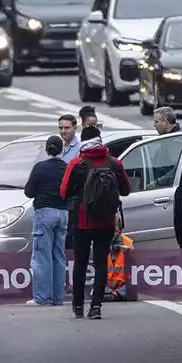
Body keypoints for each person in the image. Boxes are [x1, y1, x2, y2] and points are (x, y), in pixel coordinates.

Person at [60, 131, 132, 319]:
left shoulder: (77, 163)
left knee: (81, 262)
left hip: (81, 221)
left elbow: (63, 192)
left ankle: (77, 306)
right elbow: (126, 190)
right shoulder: (114, 163)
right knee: (101, 262)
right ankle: (96, 307)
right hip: (106, 220)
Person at [24, 134, 69, 306]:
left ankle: (42, 298)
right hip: (63, 213)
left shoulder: (40, 168)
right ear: (62, 149)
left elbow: (29, 191)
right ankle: (58, 297)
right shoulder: (66, 168)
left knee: (42, 256)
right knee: (59, 256)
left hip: (44, 212)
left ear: (46, 149)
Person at [152, 106, 182, 249]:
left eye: (157, 122)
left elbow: (179, 169)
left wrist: (157, 183)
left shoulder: (175, 141)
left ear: (166, 122)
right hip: (177, 194)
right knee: (180, 234)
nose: (154, 125)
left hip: (180, 195)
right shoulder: (172, 138)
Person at [104, 212, 132, 302]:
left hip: (122, 285)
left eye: (114, 231)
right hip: (107, 285)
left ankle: (116, 295)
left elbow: (136, 268)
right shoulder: (101, 243)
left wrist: (126, 251)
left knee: (131, 286)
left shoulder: (127, 243)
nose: (110, 234)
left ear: (119, 231)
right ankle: (108, 294)